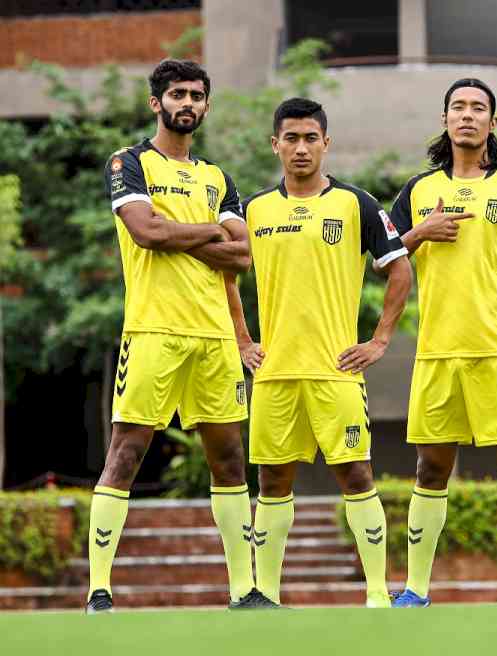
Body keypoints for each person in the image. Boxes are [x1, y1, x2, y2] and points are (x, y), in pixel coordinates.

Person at [89, 59, 275, 613]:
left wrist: (179, 233)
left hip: (216, 337)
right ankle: (99, 589)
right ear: (156, 103)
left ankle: (244, 590)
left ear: (206, 105)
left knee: (230, 460)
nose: (186, 102)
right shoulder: (130, 163)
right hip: (153, 331)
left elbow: (241, 256)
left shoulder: (219, 178)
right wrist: (207, 231)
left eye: (196, 95)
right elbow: (145, 232)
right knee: (126, 452)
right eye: (177, 94)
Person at [386, 78, 497, 606]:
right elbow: (384, 255)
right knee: (431, 468)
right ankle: (415, 589)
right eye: (458, 107)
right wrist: (422, 230)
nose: (468, 115)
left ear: (494, 121)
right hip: (437, 352)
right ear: (444, 119)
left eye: (478, 108)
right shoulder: (417, 191)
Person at [239, 98, 412, 608]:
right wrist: (244, 340)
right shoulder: (254, 209)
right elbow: (225, 274)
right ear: (275, 145)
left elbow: (399, 268)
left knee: (356, 475)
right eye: (290, 138)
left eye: (310, 138)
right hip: (273, 373)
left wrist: (379, 340)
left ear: (326, 143)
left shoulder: (355, 204)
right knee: (272, 481)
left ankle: (378, 593)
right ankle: (264, 594)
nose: (300, 148)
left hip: (336, 372)